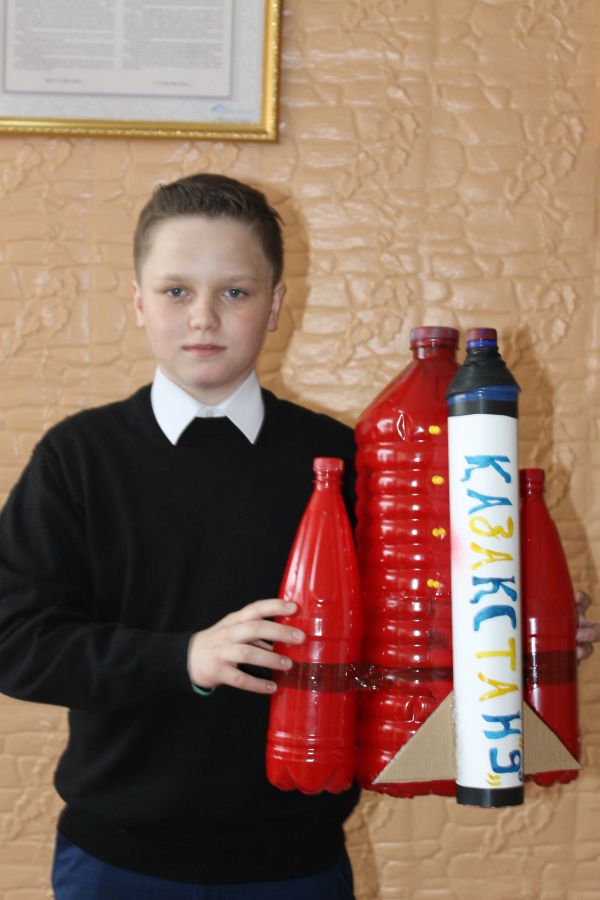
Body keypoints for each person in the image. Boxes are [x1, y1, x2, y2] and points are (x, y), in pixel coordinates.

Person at [0, 173, 596, 899]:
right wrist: (185, 656)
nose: (203, 318)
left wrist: (509, 634)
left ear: (276, 304)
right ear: (138, 301)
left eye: (236, 292)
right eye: (176, 291)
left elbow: (385, 651)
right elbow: (16, 642)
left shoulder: (346, 459)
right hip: (117, 863)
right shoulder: (77, 459)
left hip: (297, 865)